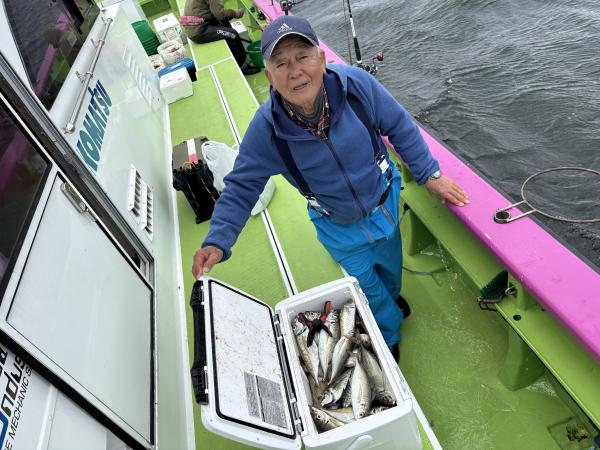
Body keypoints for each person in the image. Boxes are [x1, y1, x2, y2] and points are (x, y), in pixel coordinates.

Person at [192, 16, 469, 359]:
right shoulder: (265, 131)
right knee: (366, 287)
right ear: (269, 77)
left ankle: (391, 298)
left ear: (322, 60)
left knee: (390, 272)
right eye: (281, 63)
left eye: (303, 56)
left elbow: (400, 125)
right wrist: (218, 240)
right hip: (338, 227)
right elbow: (241, 188)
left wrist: (430, 174)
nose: (295, 71)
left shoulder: (357, 86)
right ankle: (387, 331)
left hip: (385, 203)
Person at [182, 0, 261, 75]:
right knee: (233, 35)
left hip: (194, 26)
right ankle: (243, 66)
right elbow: (220, 15)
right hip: (199, 30)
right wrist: (235, 13)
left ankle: (237, 54)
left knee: (225, 24)